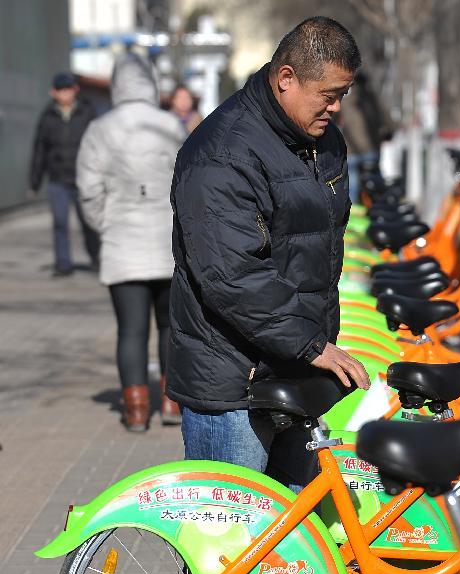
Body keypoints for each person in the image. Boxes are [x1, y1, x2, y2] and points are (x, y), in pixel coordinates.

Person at [168, 17, 370, 488]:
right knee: (230, 544)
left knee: (295, 548)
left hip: (293, 365)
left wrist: (309, 345)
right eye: (328, 94)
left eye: (344, 93)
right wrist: (311, 344)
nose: (337, 107)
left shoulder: (323, 142)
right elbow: (233, 273)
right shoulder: (223, 152)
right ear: (286, 80)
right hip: (233, 380)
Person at [76, 53, 187, 432]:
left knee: (131, 330)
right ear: (151, 83)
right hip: (168, 242)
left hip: (123, 243)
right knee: (172, 326)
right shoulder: (171, 125)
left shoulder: (100, 129)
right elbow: (190, 181)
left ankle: (136, 409)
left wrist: (104, 225)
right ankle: (172, 403)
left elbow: (88, 190)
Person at [29, 72, 101, 276]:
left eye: (68, 89)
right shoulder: (47, 115)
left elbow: (98, 144)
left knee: (88, 222)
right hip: (57, 179)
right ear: (53, 92)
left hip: (83, 178)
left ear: (75, 90)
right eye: (61, 89)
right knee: (60, 222)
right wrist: (34, 182)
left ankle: (96, 257)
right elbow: (40, 149)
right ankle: (63, 264)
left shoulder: (87, 112)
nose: (65, 93)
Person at [337, 70, 395, 202]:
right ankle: (380, 206)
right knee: (376, 182)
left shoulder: (345, 100)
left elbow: (331, 119)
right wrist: (388, 133)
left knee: (352, 186)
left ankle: (351, 213)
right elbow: (387, 120)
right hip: (371, 150)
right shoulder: (372, 100)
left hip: (351, 151)